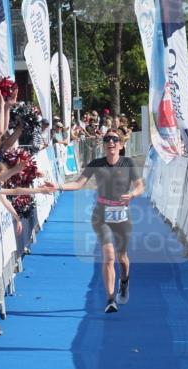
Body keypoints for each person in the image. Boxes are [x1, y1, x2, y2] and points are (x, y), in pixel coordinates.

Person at [58, 131, 143, 314]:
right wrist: (59, 187)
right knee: (109, 256)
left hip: (122, 216)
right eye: (107, 140)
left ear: (120, 144)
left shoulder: (128, 163)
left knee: (122, 258)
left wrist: (133, 195)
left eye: (114, 140)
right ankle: (111, 299)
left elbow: (140, 186)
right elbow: (78, 184)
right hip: (101, 214)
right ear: (103, 145)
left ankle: (125, 283)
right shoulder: (96, 164)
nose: (110, 142)